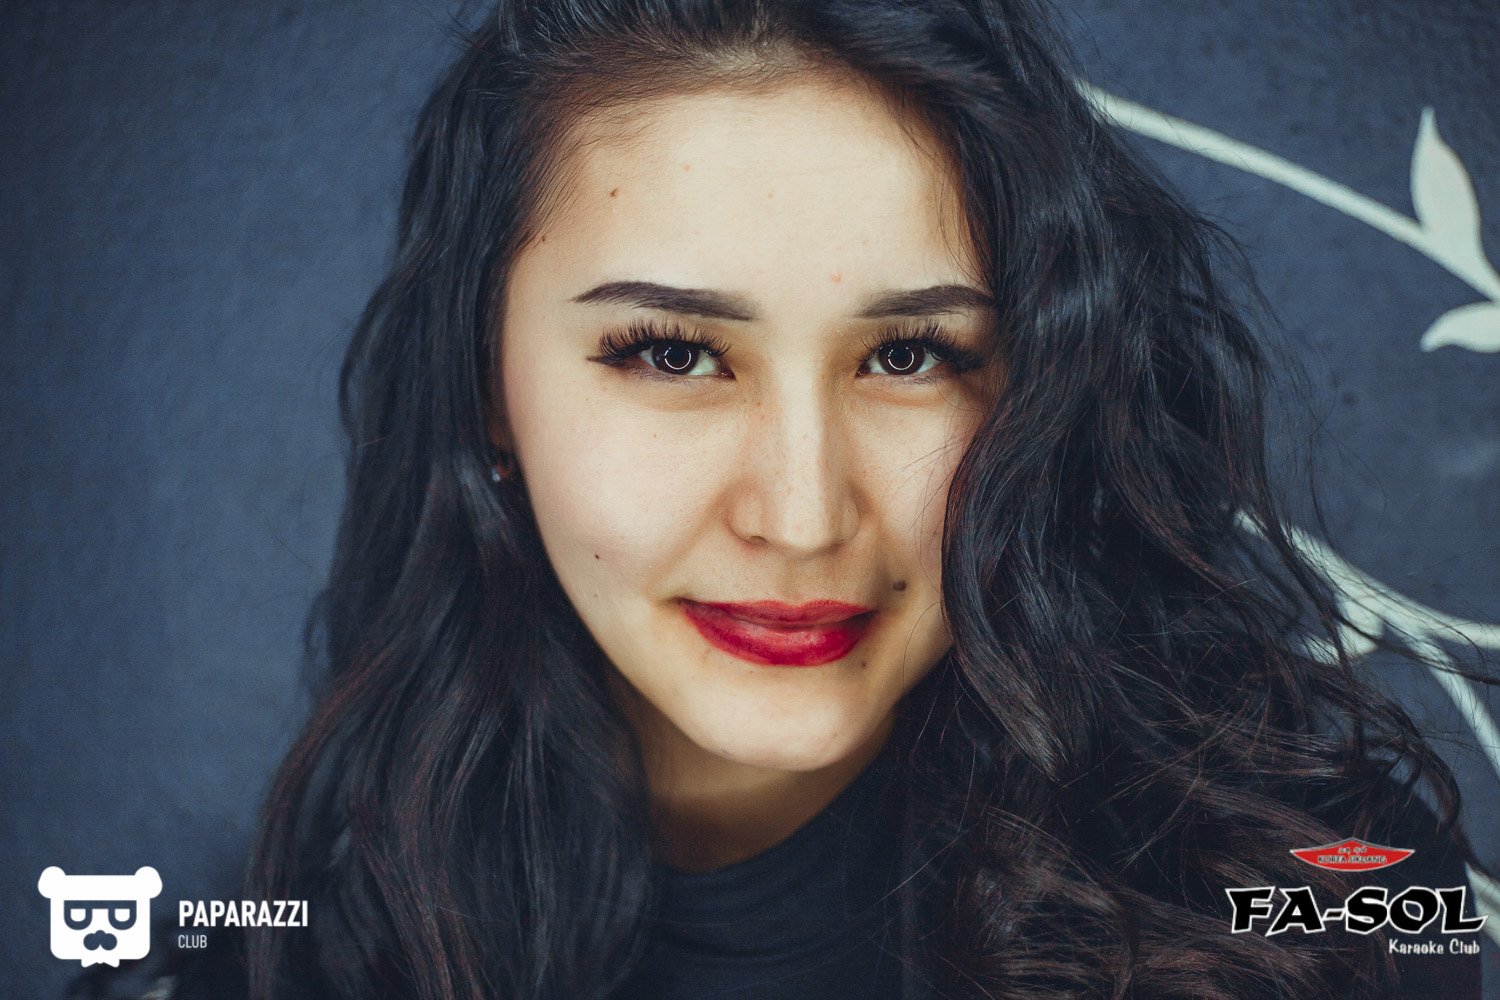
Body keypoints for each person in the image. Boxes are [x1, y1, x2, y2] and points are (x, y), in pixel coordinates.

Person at [70, 1, 1493, 998]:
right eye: (672, 353)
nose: (804, 516)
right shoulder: (277, 962)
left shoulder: (1328, 896)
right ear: (487, 390)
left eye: (911, 355)